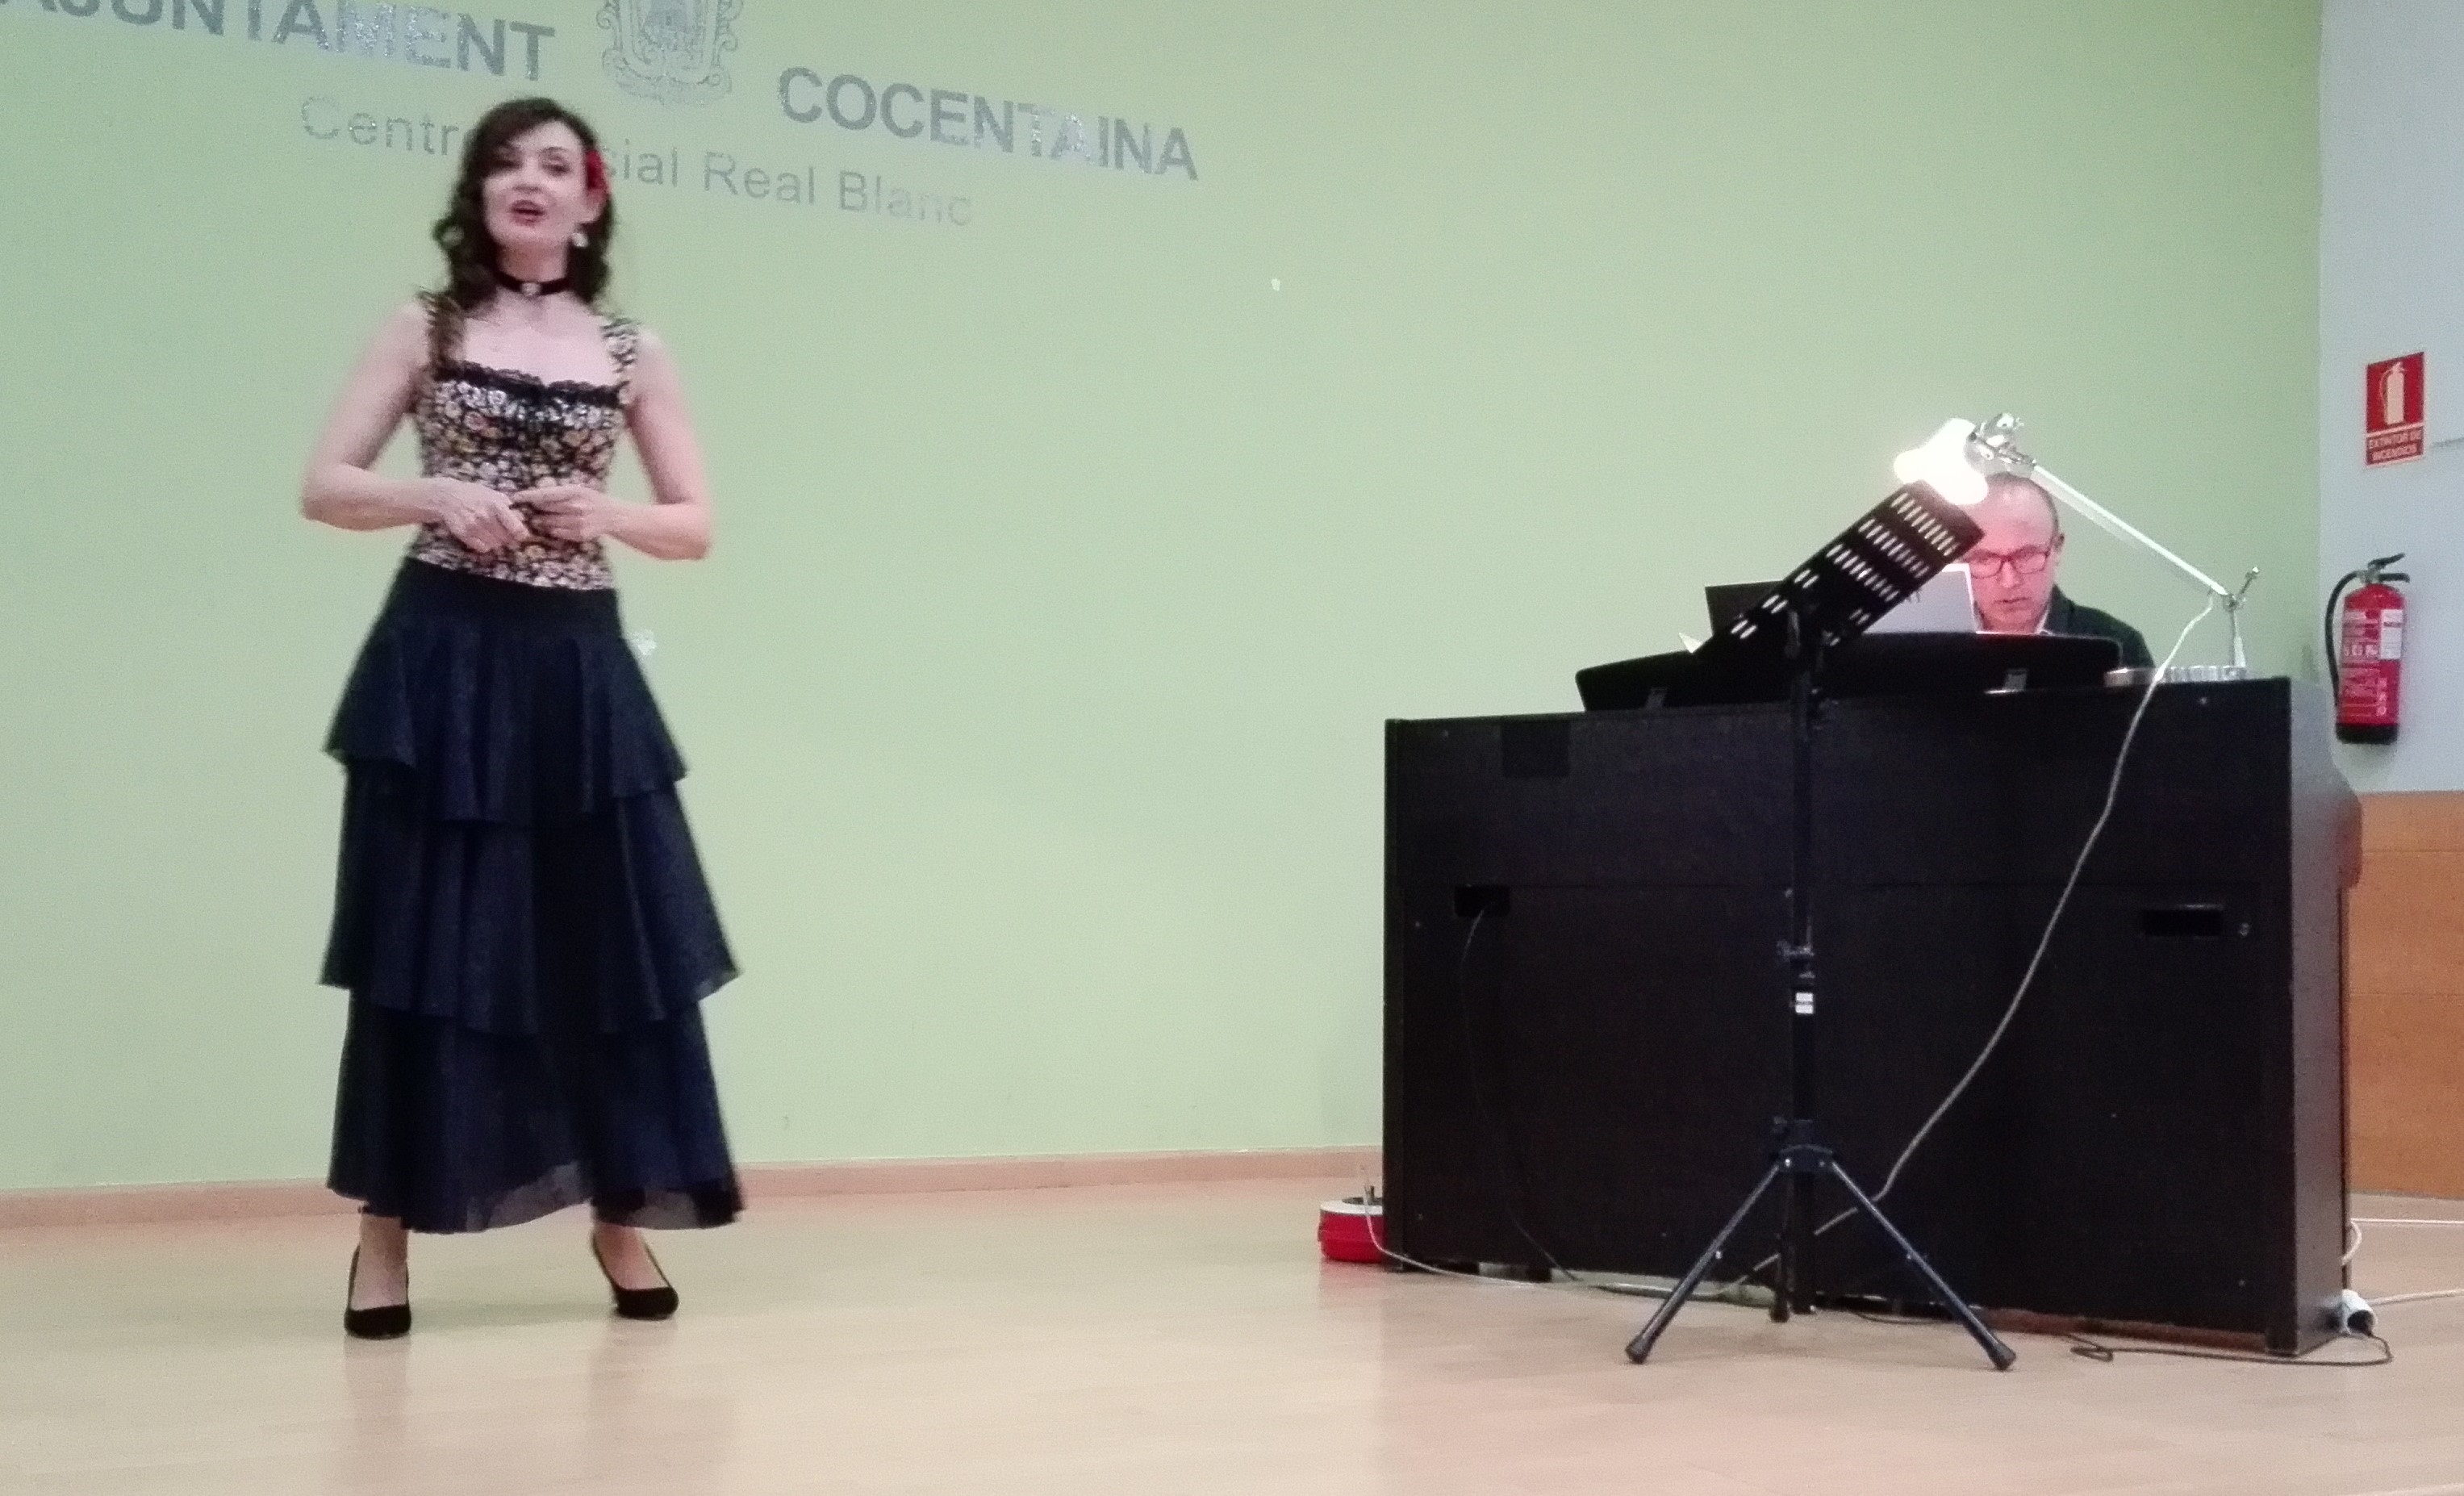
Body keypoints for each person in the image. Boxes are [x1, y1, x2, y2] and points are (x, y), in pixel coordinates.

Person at [300, 97, 741, 1339]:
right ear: (479, 193)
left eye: (554, 165)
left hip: (576, 671)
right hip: (439, 660)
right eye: (505, 164)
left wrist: (606, 514)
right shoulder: (425, 325)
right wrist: (435, 495)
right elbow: (325, 485)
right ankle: (384, 1233)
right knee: (423, 944)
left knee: (609, 943)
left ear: (590, 202)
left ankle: (621, 1210)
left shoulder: (631, 350)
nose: (528, 181)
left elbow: (693, 525)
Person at [1964, 473, 2154, 668]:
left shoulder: (2118, 645)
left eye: (2026, 555)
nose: (2009, 581)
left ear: (2058, 548)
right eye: (1984, 559)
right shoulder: (1943, 643)